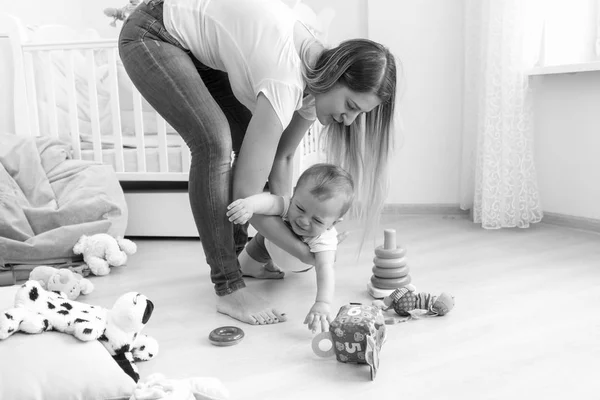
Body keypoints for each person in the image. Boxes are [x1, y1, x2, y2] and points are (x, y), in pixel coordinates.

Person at [118, 0, 397, 326]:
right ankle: (228, 286)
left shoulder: (314, 85)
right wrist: (303, 251)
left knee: (244, 137)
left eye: (359, 113)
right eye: (350, 105)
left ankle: (240, 257)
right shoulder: (286, 79)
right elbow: (246, 195)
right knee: (215, 142)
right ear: (336, 75)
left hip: (199, 53)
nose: (348, 121)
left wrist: (291, 224)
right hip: (152, 33)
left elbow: (283, 155)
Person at [227, 163, 354, 333]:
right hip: (266, 244)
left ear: (333, 224)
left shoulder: (325, 238)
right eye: (300, 208)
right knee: (242, 268)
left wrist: (322, 303)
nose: (303, 220)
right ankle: (260, 268)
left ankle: (271, 265)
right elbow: (269, 201)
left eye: (317, 221)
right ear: (294, 194)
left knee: (326, 259)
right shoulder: (289, 204)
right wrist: (249, 205)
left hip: (297, 264)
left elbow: (325, 269)